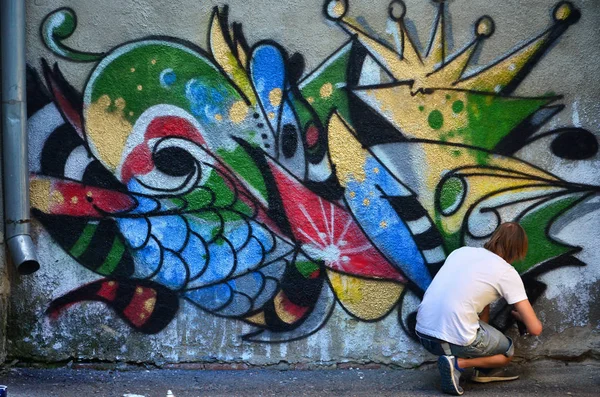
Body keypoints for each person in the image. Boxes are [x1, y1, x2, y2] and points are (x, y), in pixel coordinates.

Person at [415, 222, 542, 395]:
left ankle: (478, 370)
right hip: (451, 342)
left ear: (495, 238)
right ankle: (459, 365)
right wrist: (520, 317)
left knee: (475, 331)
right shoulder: (506, 273)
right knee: (507, 351)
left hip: (423, 334)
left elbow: (479, 303)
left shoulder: (461, 253)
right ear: (518, 249)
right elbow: (535, 329)